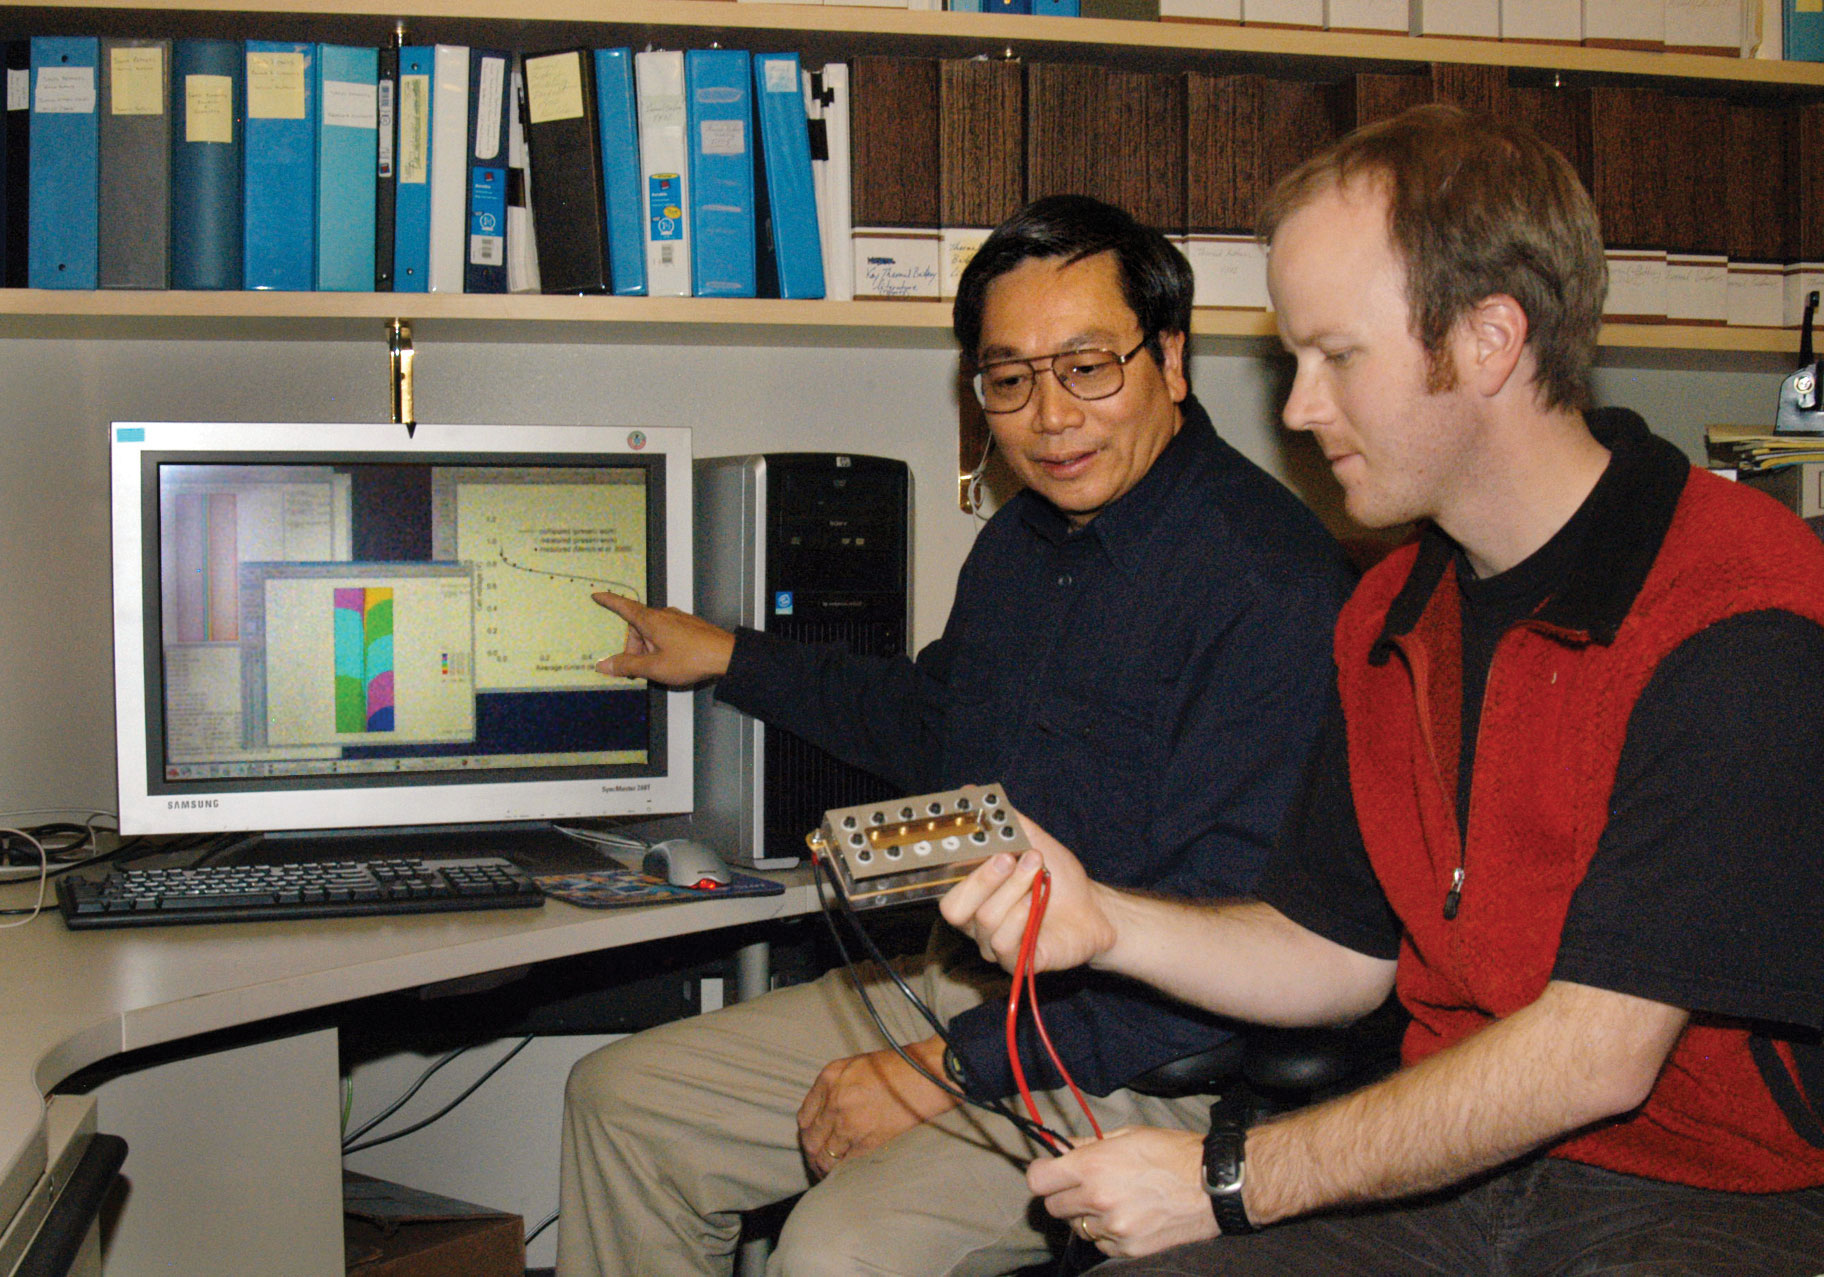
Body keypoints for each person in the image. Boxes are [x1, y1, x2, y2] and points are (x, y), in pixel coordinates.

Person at [941, 104, 1824, 1275]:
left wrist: (1228, 1175)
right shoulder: (1391, 612)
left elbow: (1596, 1052)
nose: (1298, 408)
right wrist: (1107, 918)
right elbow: (1336, 951)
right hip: (1453, 1175)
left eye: (1336, 357)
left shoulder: (1739, 613)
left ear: (1490, 339)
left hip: (1715, 1200)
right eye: (1293, 361)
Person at [554, 194, 1354, 1277]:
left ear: (1170, 358)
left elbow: (1226, 946)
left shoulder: (1266, 584)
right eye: (1009, 378)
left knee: (835, 1250)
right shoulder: (1029, 539)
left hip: (1138, 1054)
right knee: (621, 1104)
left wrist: (946, 1068)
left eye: (1088, 365)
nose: (1050, 416)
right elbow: (935, 717)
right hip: (973, 989)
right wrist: (728, 655)